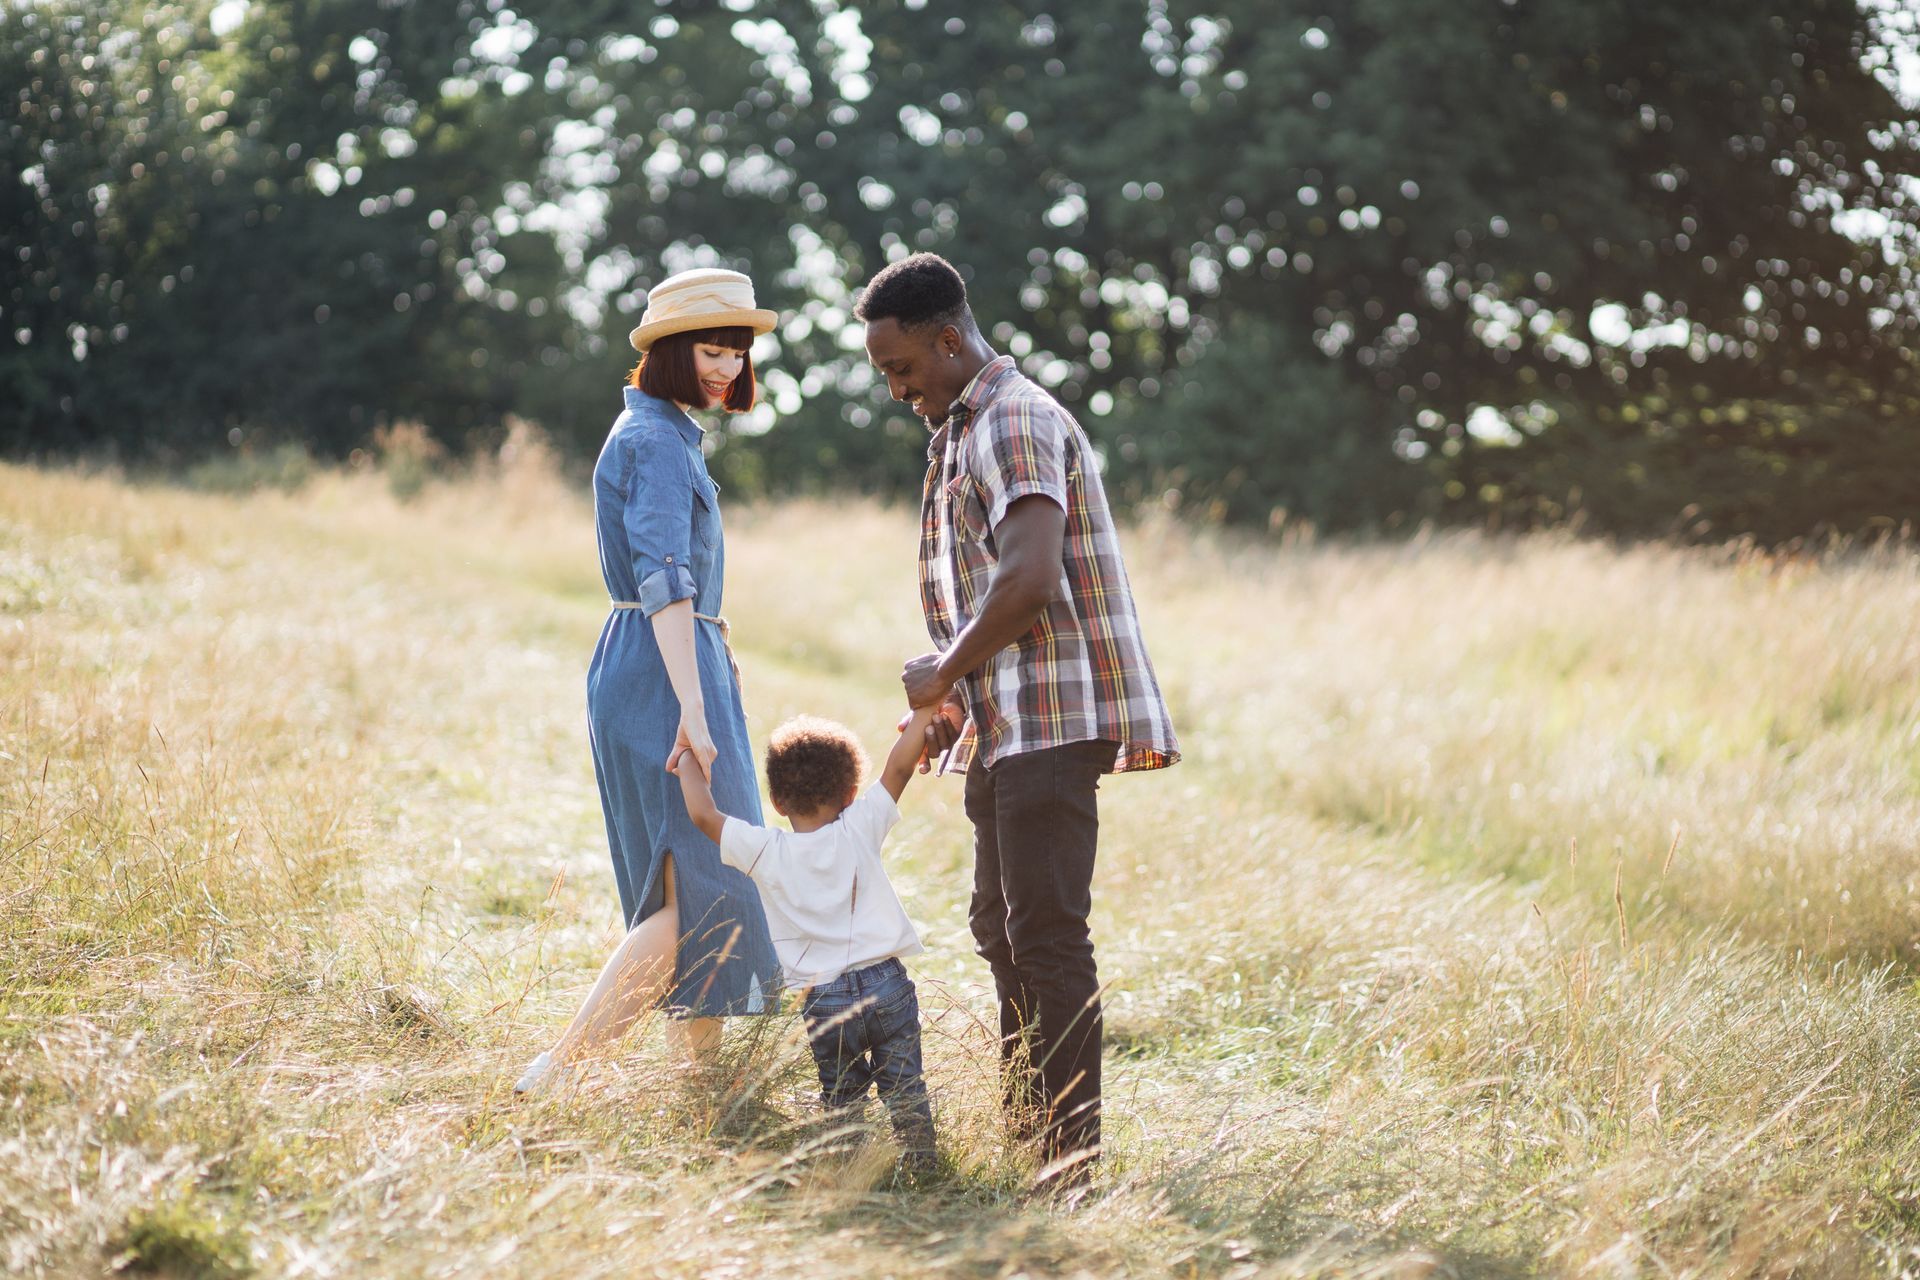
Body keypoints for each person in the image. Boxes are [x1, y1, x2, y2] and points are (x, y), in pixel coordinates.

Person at [856, 253, 1180, 1187]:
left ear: (948, 340)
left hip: (1050, 718)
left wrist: (942, 668)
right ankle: (1031, 1132)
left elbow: (1029, 581)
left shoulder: (1015, 419)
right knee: (999, 929)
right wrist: (962, 693)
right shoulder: (962, 427)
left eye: (902, 367)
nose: (895, 388)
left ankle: (1069, 1162)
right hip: (1008, 721)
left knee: (1044, 934)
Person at [516, 267, 782, 1092]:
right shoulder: (658, 443)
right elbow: (665, 577)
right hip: (664, 669)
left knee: (697, 883)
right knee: (697, 883)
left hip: (665, 659)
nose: (727, 370)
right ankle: (557, 1072)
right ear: (668, 349)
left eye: (736, 354)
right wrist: (695, 706)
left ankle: (700, 1088)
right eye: (711, 350)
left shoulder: (659, 433)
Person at [671, 706, 953, 1172]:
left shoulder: (765, 851)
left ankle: (847, 1167)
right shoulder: (860, 826)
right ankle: (922, 1167)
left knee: (842, 1095)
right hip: (887, 986)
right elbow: (901, 765)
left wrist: (685, 756)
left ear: (778, 803)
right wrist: (927, 705)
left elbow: (703, 814)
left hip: (824, 998)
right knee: (905, 1086)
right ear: (849, 793)